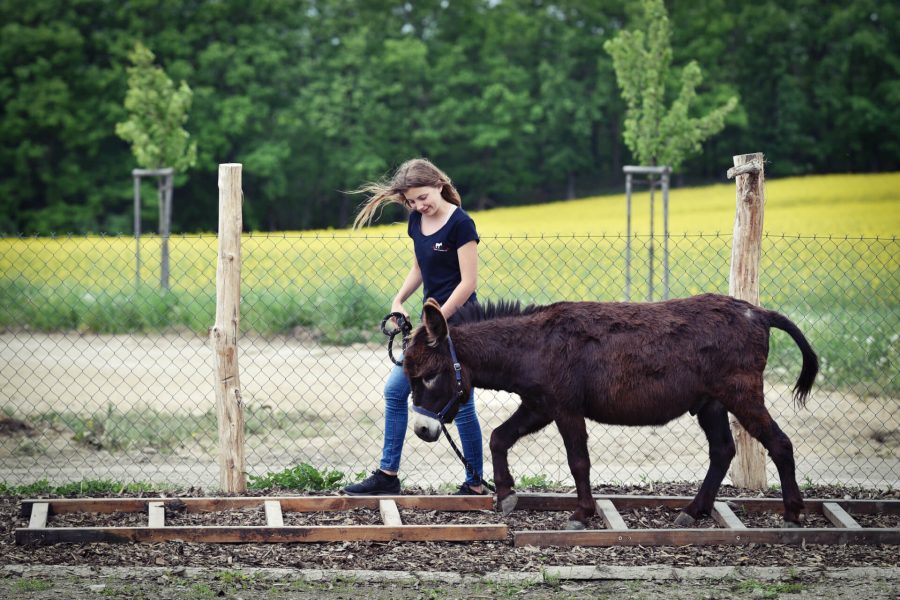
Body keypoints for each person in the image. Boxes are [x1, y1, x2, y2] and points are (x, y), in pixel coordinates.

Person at [342, 158, 486, 496]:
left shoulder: (461, 224)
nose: (419, 205)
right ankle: (387, 475)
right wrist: (398, 299)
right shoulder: (416, 222)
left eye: (423, 197)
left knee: (461, 402)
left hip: (461, 323)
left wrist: (436, 319)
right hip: (430, 324)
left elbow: (468, 283)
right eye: (411, 201)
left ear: (438, 184)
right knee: (395, 391)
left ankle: (475, 482)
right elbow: (420, 268)